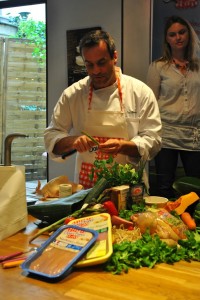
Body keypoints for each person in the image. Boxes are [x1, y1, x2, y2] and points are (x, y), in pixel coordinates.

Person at [44, 30, 162, 189]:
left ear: (114, 57)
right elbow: (52, 135)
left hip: (130, 186)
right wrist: (73, 141)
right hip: (86, 188)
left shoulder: (140, 92)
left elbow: (153, 140)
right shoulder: (73, 94)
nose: (96, 71)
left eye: (101, 62)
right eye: (89, 65)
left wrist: (123, 146)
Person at [147, 16, 200, 199]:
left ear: (189, 35)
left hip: (193, 135)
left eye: (181, 32)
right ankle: (167, 224)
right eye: (172, 34)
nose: (178, 37)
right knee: (164, 186)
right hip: (166, 134)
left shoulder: (198, 66)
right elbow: (151, 102)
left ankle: (191, 223)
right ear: (167, 39)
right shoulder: (158, 67)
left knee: (195, 186)